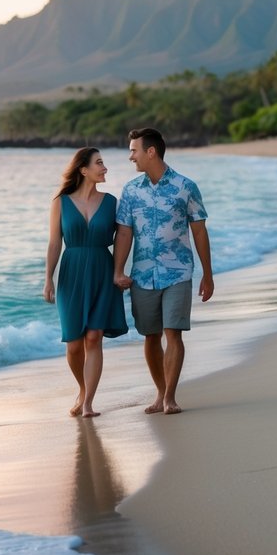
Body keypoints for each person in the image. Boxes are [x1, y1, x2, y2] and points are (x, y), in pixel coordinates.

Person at [113, 127, 214, 415]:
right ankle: (159, 393)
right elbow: (123, 234)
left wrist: (207, 274)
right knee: (150, 335)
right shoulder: (131, 191)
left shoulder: (186, 186)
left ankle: (170, 396)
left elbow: (199, 232)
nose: (131, 156)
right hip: (142, 275)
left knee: (174, 332)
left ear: (151, 151)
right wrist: (118, 270)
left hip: (178, 272)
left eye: (134, 150)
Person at [44, 147, 127, 417]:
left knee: (94, 337)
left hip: (102, 271)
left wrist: (120, 271)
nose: (105, 168)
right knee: (74, 342)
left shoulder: (111, 202)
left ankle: (89, 401)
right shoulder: (60, 202)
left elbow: (126, 237)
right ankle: (81, 388)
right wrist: (48, 279)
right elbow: (55, 243)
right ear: (83, 169)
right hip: (71, 272)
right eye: (99, 163)